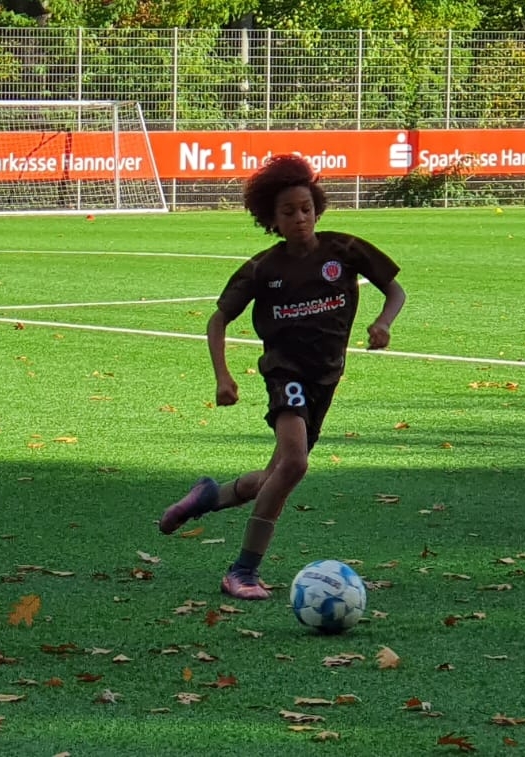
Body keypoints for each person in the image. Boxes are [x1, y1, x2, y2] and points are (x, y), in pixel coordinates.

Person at [157, 154, 407, 600]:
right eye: (288, 212)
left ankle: (209, 496)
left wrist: (384, 322)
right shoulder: (263, 268)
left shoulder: (344, 250)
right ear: (271, 219)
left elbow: (395, 290)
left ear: (318, 208)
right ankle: (242, 571)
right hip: (284, 374)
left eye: (306, 208)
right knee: (294, 464)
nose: (300, 218)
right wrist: (223, 377)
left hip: (325, 380)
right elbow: (218, 320)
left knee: (274, 476)